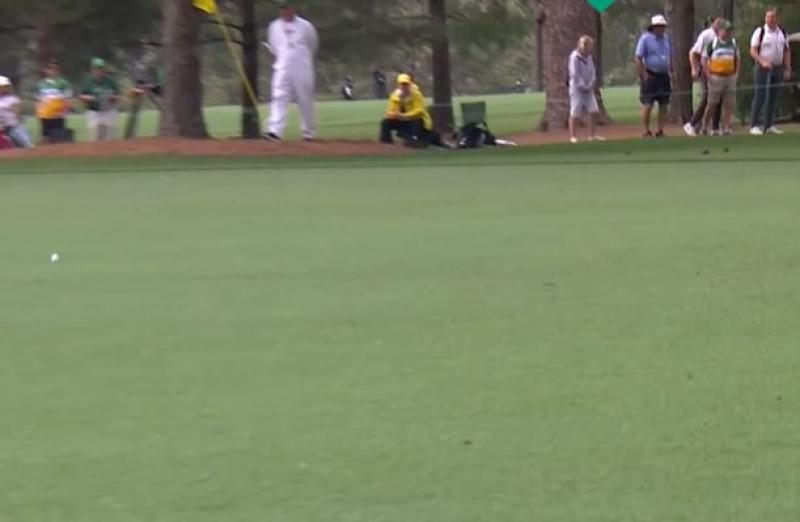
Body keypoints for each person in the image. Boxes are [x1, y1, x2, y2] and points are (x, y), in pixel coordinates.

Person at [263, 1, 318, 141]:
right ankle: (275, 130)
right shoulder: (274, 26)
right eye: (282, 8)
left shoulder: (306, 26)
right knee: (278, 96)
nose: (285, 11)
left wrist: (301, 58)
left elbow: (312, 44)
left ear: (294, 8)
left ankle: (308, 132)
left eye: (287, 8)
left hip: (302, 66)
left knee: (304, 98)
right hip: (282, 66)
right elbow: (274, 46)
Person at [749, 7, 792, 135]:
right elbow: (753, 50)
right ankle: (754, 125)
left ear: (777, 18)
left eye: (773, 16)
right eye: (768, 16)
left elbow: (786, 50)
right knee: (760, 95)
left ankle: (769, 125)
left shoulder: (782, 32)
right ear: (765, 18)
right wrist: (762, 61)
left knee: (773, 97)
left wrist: (787, 67)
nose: (771, 19)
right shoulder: (760, 32)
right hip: (762, 66)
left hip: (777, 67)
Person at [380, 73, 448, 148]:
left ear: (410, 84)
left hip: (417, 120)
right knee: (386, 122)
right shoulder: (394, 96)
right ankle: (386, 143)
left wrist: (404, 115)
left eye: (406, 84)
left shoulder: (416, 94)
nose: (404, 86)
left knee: (418, 123)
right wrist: (393, 114)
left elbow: (419, 111)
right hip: (401, 120)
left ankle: (416, 142)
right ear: (398, 85)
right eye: (402, 84)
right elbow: (390, 110)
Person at [635, 15, 673, 138]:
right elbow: (638, 57)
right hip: (650, 75)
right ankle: (646, 130)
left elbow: (669, 55)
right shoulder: (645, 39)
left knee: (664, 104)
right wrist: (643, 74)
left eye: (663, 26)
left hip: (663, 75)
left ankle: (660, 130)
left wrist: (670, 70)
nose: (661, 29)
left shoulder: (666, 38)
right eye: (659, 26)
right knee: (648, 104)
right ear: (653, 27)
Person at [685, 16, 722, 136]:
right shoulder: (706, 35)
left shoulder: (722, 35)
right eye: (717, 22)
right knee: (707, 96)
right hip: (704, 68)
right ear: (712, 23)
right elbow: (694, 52)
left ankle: (715, 127)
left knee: (718, 97)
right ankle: (691, 124)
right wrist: (694, 68)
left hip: (717, 70)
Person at [701, 20, 739, 136]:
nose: (728, 33)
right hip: (716, 77)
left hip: (730, 77)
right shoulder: (712, 44)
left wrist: (736, 73)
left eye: (729, 30)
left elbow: (737, 59)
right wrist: (709, 75)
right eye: (726, 30)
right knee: (712, 104)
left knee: (728, 104)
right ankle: (704, 127)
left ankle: (725, 127)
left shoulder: (733, 43)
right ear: (720, 31)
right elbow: (704, 60)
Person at [568, 35, 604, 143]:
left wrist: (591, 83)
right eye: (589, 46)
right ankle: (573, 136)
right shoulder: (575, 57)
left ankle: (592, 135)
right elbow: (574, 74)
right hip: (577, 89)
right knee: (575, 112)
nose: (590, 49)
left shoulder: (589, 57)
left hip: (589, 89)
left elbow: (592, 71)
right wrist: (583, 85)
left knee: (593, 110)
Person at [80, 57, 121, 141]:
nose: (99, 71)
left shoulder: (110, 81)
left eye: (101, 68)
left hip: (108, 110)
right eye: (97, 68)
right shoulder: (88, 81)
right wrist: (89, 98)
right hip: (93, 111)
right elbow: (82, 95)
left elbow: (118, 96)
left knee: (109, 136)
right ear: (92, 69)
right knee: (94, 136)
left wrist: (111, 97)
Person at [35, 60, 72, 144]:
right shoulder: (40, 84)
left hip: (58, 114)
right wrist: (38, 112)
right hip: (45, 115)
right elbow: (38, 100)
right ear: (46, 70)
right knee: (45, 136)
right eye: (50, 69)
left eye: (55, 69)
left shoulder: (63, 83)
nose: (52, 71)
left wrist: (65, 111)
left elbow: (67, 98)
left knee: (59, 137)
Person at [0, 76, 33, 148]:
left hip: (15, 126)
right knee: (11, 148)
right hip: (3, 128)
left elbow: (17, 111)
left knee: (26, 145)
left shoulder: (12, 98)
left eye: (4, 87)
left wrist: (9, 108)